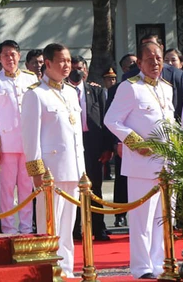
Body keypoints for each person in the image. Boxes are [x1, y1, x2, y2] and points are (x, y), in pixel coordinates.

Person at [104, 42, 174, 279]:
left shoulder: (166, 88)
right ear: (140, 63)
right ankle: (142, 267)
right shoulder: (130, 87)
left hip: (166, 162)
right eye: (150, 59)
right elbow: (112, 120)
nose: (155, 62)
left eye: (158, 58)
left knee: (162, 219)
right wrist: (136, 143)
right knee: (141, 219)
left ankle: (158, 263)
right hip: (142, 164)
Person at [22, 43, 85, 278]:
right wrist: (36, 172)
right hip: (50, 171)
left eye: (68, 60)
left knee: (68, 226)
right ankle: (49, 270)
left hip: (73, 167)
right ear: (47, 64)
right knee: (51, 225)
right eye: (61, 61)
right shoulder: (35, 94)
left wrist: (82, 169)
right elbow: (30, 136)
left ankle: (66, 269)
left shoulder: (70, 92)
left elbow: (76, 134)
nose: (67, 65)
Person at [0, 40, 39, 234]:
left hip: (28, 143)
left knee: (26, 187)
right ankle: (8, 229)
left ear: (19, 55)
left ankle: (25, 228)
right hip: (6, 144)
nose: (10, 58)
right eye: (5, 55)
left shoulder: (30, 79)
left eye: (13, 54)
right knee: (6, 189)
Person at [67, 56, 112, 241]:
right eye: (74, 68)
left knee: (96, 188)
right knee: (74, 188)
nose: (77, 71)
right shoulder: (63, 91)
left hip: (93, 145)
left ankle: (99, 228)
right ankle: (77, 229)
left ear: (85, 71)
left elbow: (106, 121)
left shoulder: (96, 91)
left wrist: (107, 147)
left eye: (80, 68)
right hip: (72, 146)